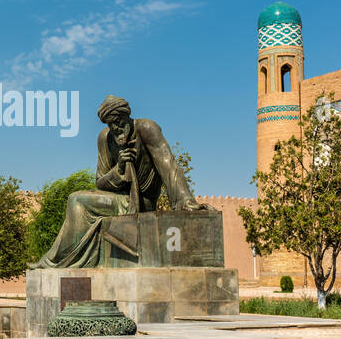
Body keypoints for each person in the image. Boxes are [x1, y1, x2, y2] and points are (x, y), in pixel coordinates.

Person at [30, 95, 208, 269]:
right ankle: (64, 262)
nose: (115, 127)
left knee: (77, 200)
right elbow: (100, 182)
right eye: (110, 123)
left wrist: (185, 201)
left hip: (139, 203)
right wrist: (119, 169)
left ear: (127, 116)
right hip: (118, 200)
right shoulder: (105, 138)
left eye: (118, 121)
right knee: (76, 200)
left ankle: (56, 262)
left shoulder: (146, 128)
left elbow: (168, 165)